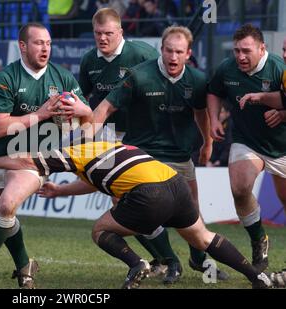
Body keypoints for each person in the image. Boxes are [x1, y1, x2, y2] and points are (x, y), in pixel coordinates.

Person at [0, 137, 279, 289]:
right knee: (202, 237)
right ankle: (256, 276)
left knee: (100, 230)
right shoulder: (109, 148)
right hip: (174, 183)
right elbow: (94, 183)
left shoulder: (73, 154)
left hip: (149, 195)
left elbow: (26, 161)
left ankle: (138, 264)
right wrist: (60, 191)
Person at [92, 25, 229, 283]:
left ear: (189, 53)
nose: (173, 57)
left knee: (192, 210)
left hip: (179, 156)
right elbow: (105, 107)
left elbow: (201, 113)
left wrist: (207, 144)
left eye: (179, 52)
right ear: (161, 50)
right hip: (142, 157)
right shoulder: (139, 76)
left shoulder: (197, 80)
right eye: (168, 51)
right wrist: (87, 138)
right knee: (136, 212)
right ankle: (170, 261)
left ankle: (198, 260)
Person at [0, 22, 91, 288]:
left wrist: (79, 111)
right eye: (38, 43)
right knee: (3, 216)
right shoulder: (4, 79)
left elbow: (88, 117)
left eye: (48, 43)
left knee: (7, 204)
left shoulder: (64, 79)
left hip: (35, 159)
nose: (45, 48)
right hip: (1, 156)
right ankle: (25, 265)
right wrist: (42, 114)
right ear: (22, 46)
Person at [79, 7, 180, 280]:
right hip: (109, 135)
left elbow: (167, 84)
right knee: (124, 201)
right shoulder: (90, 61)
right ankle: (166, 260)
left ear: (120, 32)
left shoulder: (142, 54)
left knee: (145, 200)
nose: (103, 38)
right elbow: (83, 97)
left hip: (142, 135)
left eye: (108, 33)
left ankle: (182, 258)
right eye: (98, 34)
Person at [207, 24, 286, 272]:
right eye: (237, 51)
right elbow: (213, 90)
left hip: (282, 147)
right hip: (247, 141)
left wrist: (282, 114)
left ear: (262, 48)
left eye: (247, 51)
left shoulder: (279, 69)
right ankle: (258, 240)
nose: (241, 56)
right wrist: (214, 119)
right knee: (240, 188)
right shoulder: (227, 68)